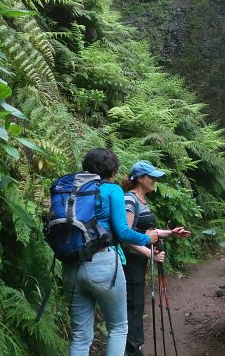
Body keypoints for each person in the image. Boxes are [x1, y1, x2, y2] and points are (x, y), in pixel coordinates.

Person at [65, 148, 160, 356]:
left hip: (71, 264)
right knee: (118, 328)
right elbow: (123, 232)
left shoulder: (72, 189)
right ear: (113, 170)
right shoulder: (112, 190)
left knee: (80, 336)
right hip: (103, 263)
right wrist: (147, 239)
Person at [121, 161, 191, 356]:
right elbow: (125, 236)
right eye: (151, 177)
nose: (155, 180)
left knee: (137, 305)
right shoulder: (130, 200)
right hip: (130, 262)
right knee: (132, 306)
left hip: (138, 262)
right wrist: (150, 254)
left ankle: (135, 348)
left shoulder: (141, 200)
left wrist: (171, 233)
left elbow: (144, 232)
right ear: (140, 178)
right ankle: (131, 350)